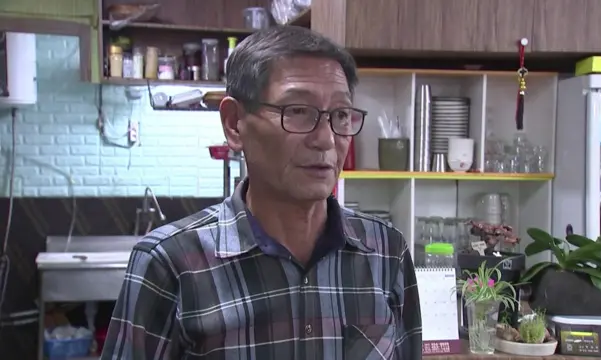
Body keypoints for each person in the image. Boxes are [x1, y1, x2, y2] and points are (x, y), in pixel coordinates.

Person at [101, 26, 421, 360]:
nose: (326, 139)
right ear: (234, 123)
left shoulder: (386, 252)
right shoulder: (171, 265)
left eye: (340, 115)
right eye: (297, 111)